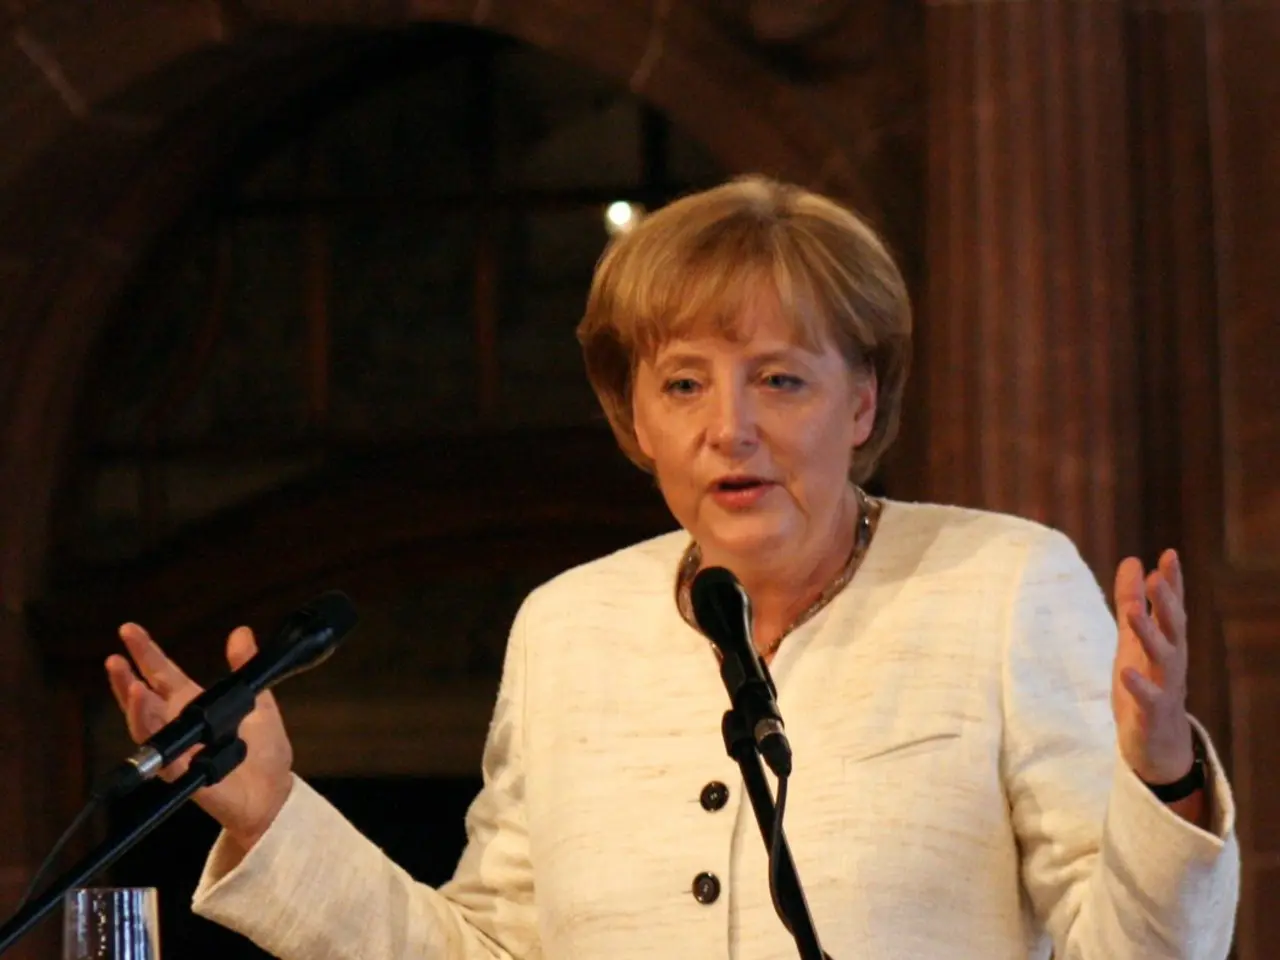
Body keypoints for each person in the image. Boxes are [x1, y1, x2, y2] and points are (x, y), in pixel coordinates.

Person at [106, 175, 1239, 959]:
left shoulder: (1001, 587)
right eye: (683, 383)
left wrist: (1157, 783)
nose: (727, 429)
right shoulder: (567, 628)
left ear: (861, 403)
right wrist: (270, 816)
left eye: (780, 380)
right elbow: (487, 947)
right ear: (633, 419)